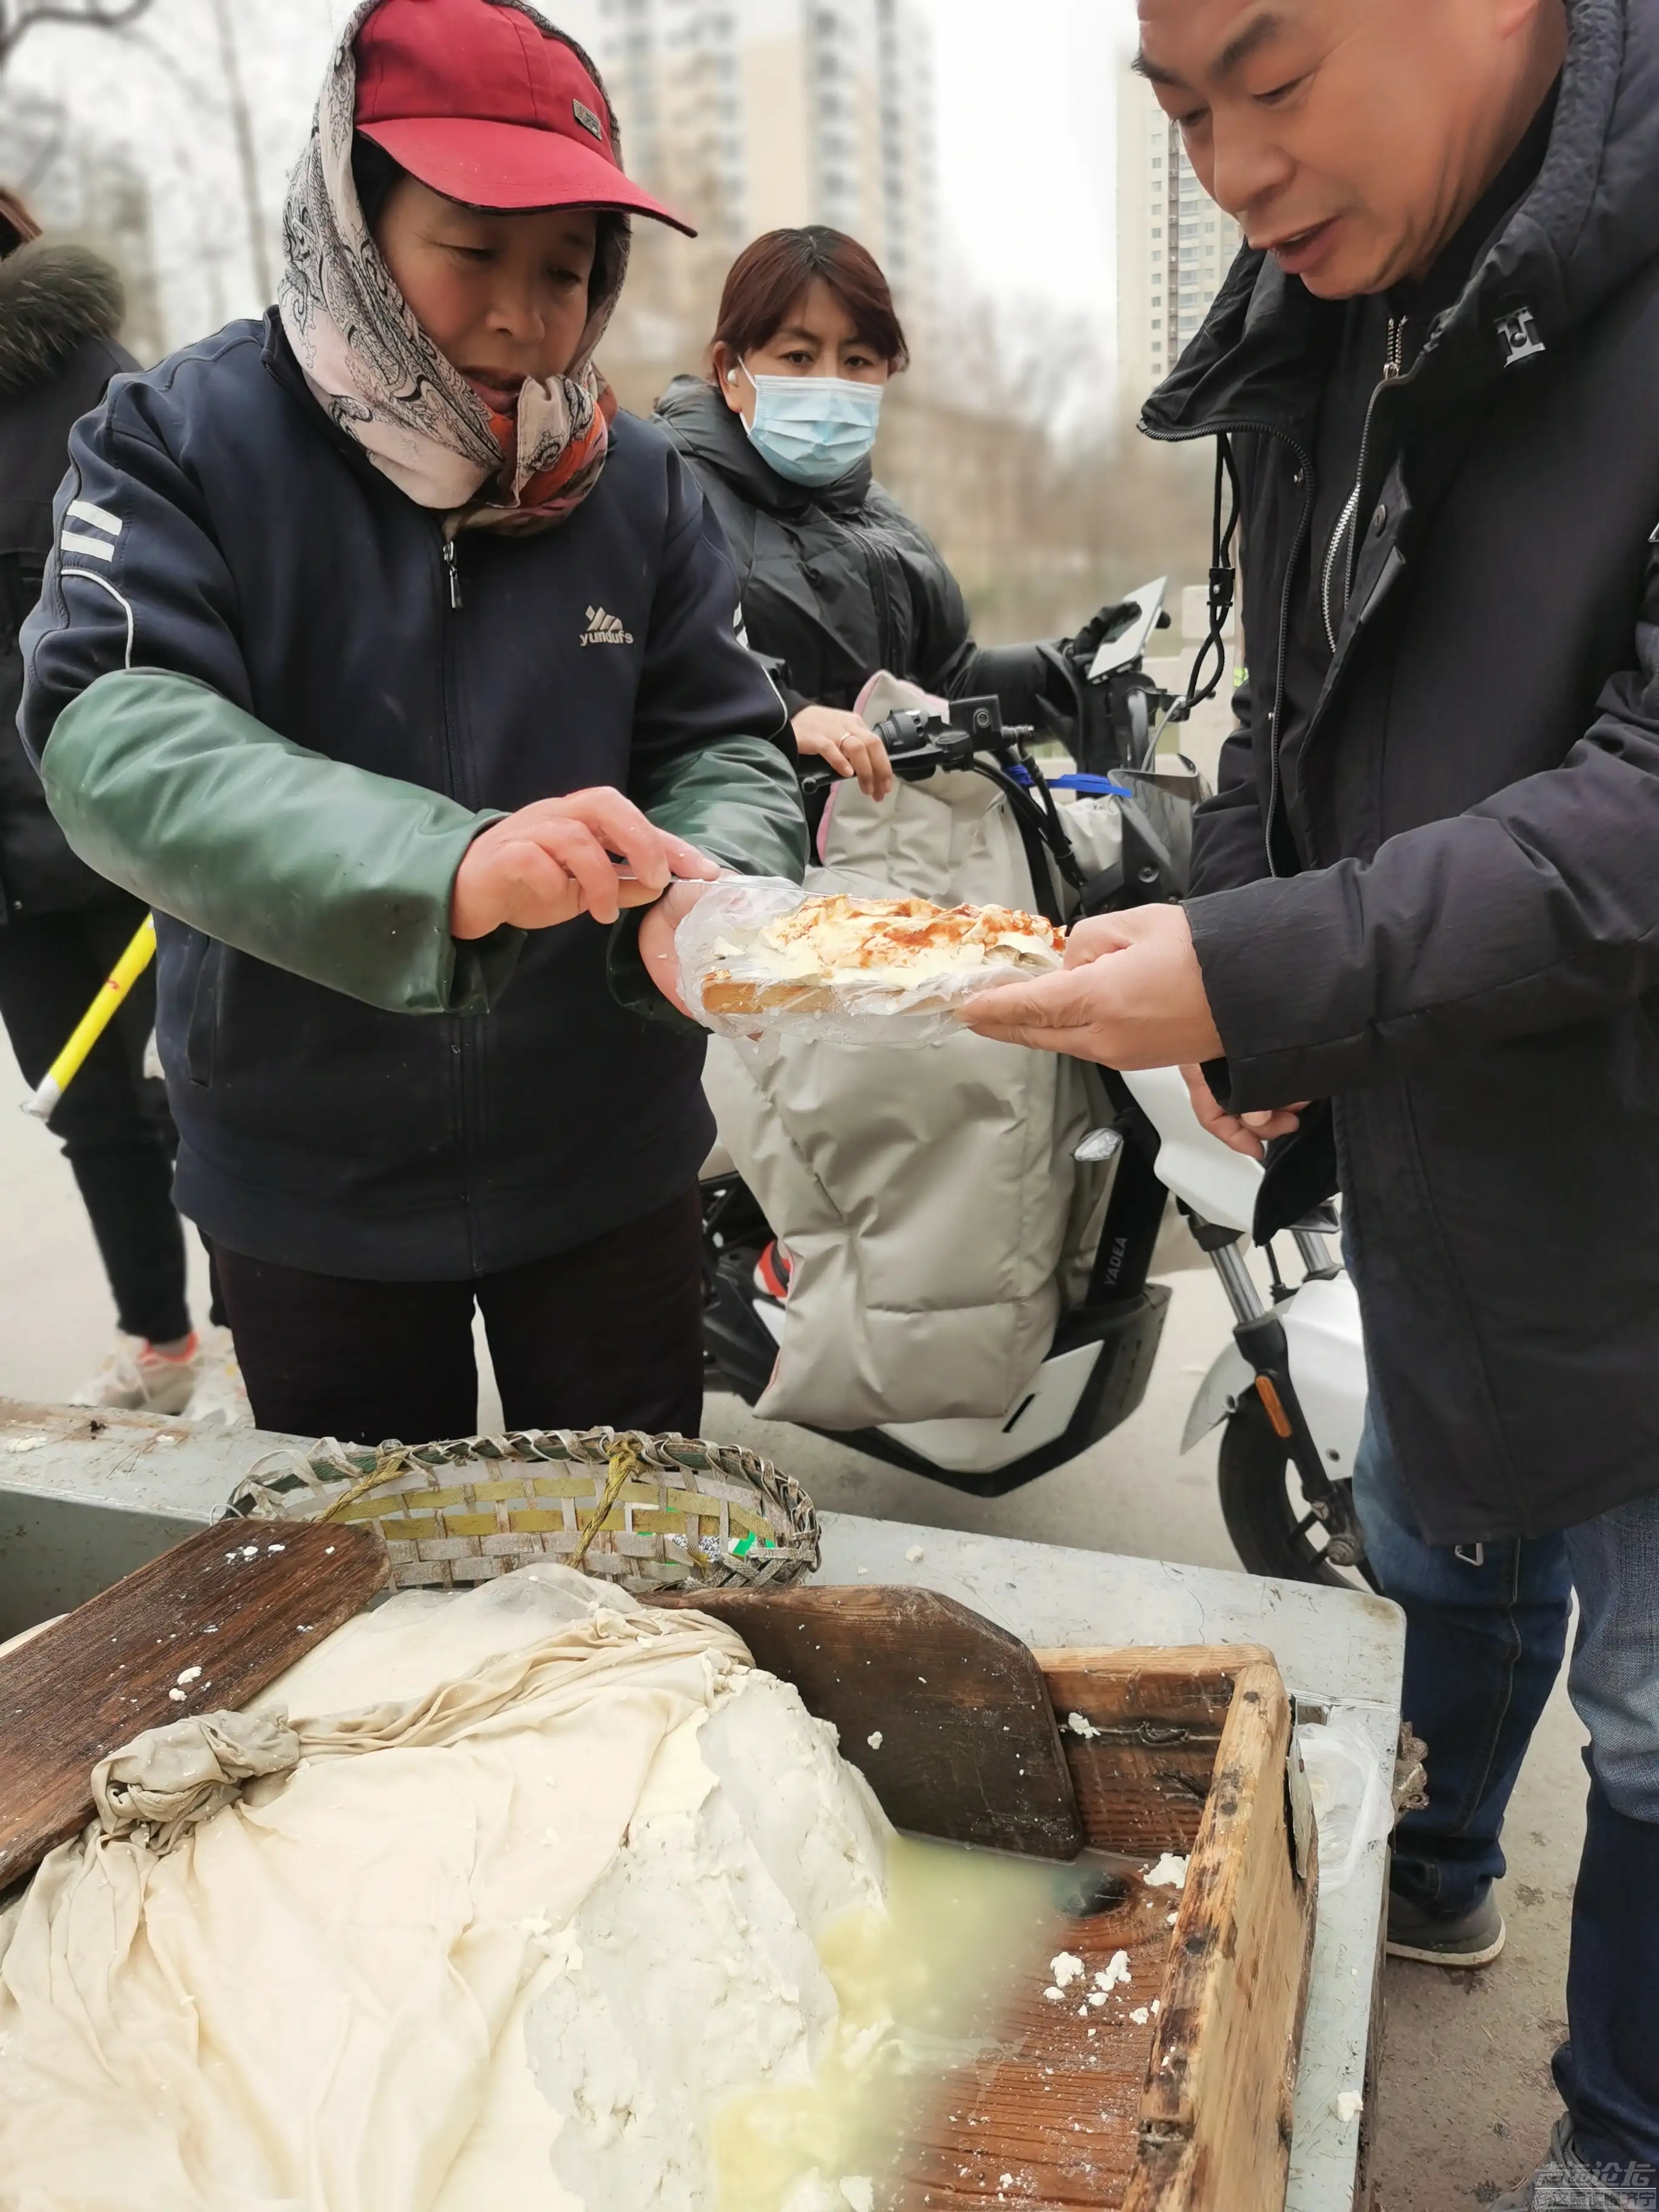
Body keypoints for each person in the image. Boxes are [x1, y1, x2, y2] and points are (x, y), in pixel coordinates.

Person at [964, 1, 1659, 2203]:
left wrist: (1263, 967)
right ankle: (1432, 1860)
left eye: (1269, 74)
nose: (1230, 166)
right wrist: (1231, 989)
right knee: (1438, 1523)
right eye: (1178, 111)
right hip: (1441, 1133)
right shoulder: (1316, 327)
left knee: (1648, 1700)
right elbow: (1288, 703)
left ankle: (1619, 2136)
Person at [20, 0, 803, 1450]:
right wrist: (444, 867)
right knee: (367, 1606)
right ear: (349, 217)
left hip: (609, 1159)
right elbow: (115, 733)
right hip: (305, 1180)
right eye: (472, 251)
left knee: (648, 1566)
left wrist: (720, 888)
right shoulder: (181, 440)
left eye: (566, 269)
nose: (524, 314)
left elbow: (725, 740)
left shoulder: (632, 484)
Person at [0, 188, 245, 1421]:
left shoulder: (101, 391)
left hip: (133, 838)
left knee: (217, 1090)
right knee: (91, 1117)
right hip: (11, 875)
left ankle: (261, 1334)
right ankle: (159, 1341)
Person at [655, 226, 1125, 802]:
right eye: (799, 357)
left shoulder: (882, 520)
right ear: (731, 369)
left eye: (858, 360)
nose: (830, 383)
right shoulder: (665, 495)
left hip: (887, 859)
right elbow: (657, 670)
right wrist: (782, 715)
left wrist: (1067, 674)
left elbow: (943, 685)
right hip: (749, 862)